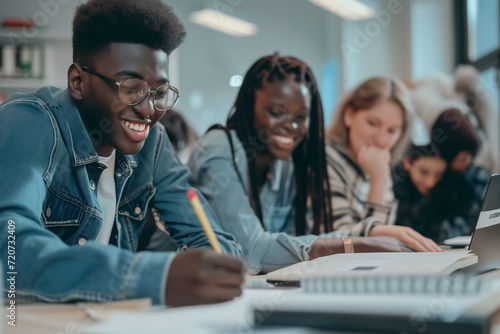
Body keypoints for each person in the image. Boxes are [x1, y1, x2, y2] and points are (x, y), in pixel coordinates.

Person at [0, 0, 244, 307]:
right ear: (78, 82)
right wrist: (150, 277)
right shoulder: (27, 123)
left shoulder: (153, 142)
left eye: (159, 93)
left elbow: (213, 240)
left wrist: (215, 264)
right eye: (131, 88)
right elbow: (10, 254)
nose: (148, 110)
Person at [188, 53, 414, 275]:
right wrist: (359, 242)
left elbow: (291, 242)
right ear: (249, 104)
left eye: (300, 117)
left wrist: (367, 235)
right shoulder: (218, 149)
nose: (291, 127)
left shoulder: (283, 162)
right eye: (276, 112)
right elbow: (251, 251)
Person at [325, 77, 442, 252]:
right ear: (349, 115)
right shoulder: (326, 158)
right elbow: (346, 243)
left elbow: (377, 241)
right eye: (372, 123)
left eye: (391, 130)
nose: (381, 140)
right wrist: (378, 179)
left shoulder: (378, 164)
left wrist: (378, 177)